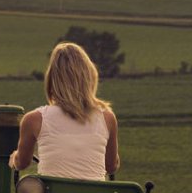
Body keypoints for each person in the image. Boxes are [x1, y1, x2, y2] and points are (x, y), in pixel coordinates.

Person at [10, 41, 119, 181]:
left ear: (52, 79)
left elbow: (22, 163)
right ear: (90, 77)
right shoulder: (107, 118)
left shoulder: (34, 120)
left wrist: (14, 158)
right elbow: (111, 166)